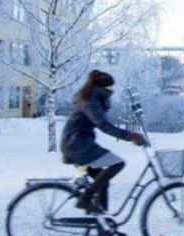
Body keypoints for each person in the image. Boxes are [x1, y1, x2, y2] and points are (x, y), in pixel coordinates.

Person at [60, 70, 147, 218]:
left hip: (78, 143)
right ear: (104, 88)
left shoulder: (91, 96)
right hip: (77, 144)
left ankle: (102, 221)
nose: (113, 90)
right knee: (118, 163)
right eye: (111, 87)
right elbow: (102, 124)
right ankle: (85, 199)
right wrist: (129, 135)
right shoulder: (90, 100)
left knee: (102, 181)